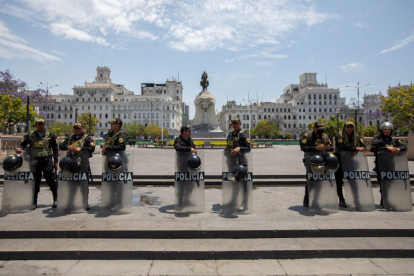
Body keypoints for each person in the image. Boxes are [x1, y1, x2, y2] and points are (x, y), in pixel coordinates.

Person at [15, 118, 58, 209]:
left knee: (51, 179)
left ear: (45, 125)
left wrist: (56, 161)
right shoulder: (30, 135)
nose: (41, 126)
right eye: (39, 124)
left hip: (46, 160)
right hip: (34, 161)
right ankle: (34, 201)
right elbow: (22, 144)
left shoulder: (51, 135)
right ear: (36, 125)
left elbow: (55, 149)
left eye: (42, 124)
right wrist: (19, 148)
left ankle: (56, 198)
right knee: (35, 181)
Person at [59, 122, 95, 211]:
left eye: (78, 128)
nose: (76, 130)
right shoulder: (70, 137)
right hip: (71, 163)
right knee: (71, 184)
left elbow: (92, 148)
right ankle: (70, 202)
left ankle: (84, 202)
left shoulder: (87, 138)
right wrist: (68, 147)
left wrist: (81, 148)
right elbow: (61, 145)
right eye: (75, 128)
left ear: (83, 129)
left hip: (82, 164)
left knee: (83, 184)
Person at [370, 121, 407, 206]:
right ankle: (384, 200)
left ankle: (388, 200)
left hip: (391, 165)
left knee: (390, 184)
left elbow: (404, 146)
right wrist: (387, 148)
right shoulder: (378, 139)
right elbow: (373, 146)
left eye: (389, 129)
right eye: (385, 129)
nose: (387, 131)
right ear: (381, 130)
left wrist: (397, 149)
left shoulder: (394, 140)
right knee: (382, 184)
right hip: (380, 166)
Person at [334, 121, 366, 207]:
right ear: (344, 128)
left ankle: (356, 199)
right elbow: (341, 146)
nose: (349, 129)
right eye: (348, 127)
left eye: (351, 127)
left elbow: (363, 147)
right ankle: (341, 199)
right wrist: (355, 148)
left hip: (351, 161)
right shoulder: (339, 136)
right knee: (339, 180)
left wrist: (356, 149)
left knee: (353, 180)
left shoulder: (357, 136)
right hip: (339, 160)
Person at [300, 121, 331, 207]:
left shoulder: (325, 136)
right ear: (314, 128)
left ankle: (316, 199)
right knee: (310, 178)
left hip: (321, 160)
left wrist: (328, 147)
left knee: (319, 180)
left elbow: (330, 146)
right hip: (310, 160)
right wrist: (315, 148)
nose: (321, 131)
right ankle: (307, 199)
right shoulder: (307, 135)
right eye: (319, 129)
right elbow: (303, 147)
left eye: (322, 129)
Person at [225, 117, 251, 212]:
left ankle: (245, 204)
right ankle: (234, 201)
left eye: (236, 123)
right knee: (234, 183)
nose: (235, 125)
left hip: (241, 162)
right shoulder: (230, 134)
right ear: (231, 125)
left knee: (244, 184)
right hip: (232, 162)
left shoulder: (243, 135)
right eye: (233, 123)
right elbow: (229, 145)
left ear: (240, 124)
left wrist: (239, 148)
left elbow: (248, 148)